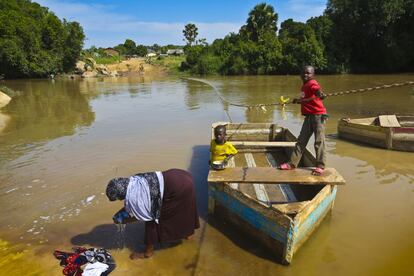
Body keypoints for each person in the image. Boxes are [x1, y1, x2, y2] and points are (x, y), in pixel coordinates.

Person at [106, 168, 200, 259]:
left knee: (152, 222)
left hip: (178, 187)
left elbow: (142, 217)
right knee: (184, 209)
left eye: (118, 198)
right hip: (181, 175)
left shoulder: (136, 199)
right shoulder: (133, 181)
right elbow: (137, 202)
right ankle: (188, 234)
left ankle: (148, 252)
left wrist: (124, 220)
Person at [279, 65, 327, 175]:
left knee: (319, 141)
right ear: (300, 74)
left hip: (318, 116)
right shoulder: (304, 86)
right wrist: (298, 100)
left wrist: (320, 93)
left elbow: (317, 90)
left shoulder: (312, 83)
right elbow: (307, 99)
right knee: (301, 141)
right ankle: (292, 164)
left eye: (308, 73)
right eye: (304, 73)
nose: (305, 75)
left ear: (313, 75)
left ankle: (320, 166)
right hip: (309, 116)